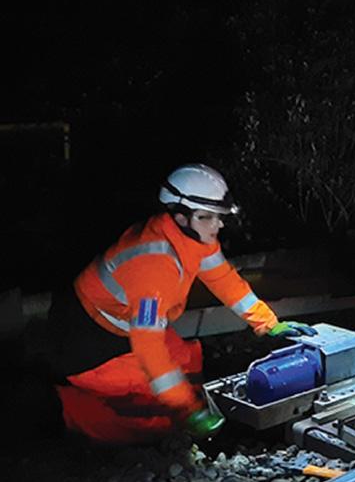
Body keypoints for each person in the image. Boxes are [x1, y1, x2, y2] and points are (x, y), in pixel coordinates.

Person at [49, 164, 315, 444]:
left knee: (186, 362)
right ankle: (61, 409)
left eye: (219, 216)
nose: (219, 224)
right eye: (208, 217)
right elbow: (149, 348)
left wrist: (268, 323)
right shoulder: (154, 266)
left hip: (124, 323)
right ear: (180, 216)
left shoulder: (194, 238)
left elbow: (224, 280)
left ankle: (187, 415)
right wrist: (185, 409)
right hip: (87, 341)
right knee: (151, 414)